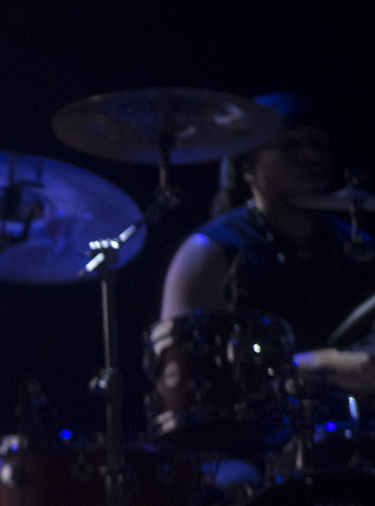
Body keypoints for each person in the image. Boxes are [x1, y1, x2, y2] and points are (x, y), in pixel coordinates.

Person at [160, 92, 375, 397]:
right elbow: (183, 385)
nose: (310, 156)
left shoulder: (358, 246)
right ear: (248, 167)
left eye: (317, 143)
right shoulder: (208, 254)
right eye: (290, 145)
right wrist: (312, 366)